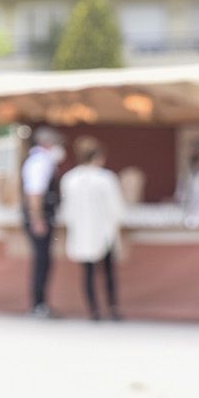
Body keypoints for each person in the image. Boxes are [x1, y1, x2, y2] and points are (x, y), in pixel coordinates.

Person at [60, 136, 126, 320]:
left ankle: (94, 309)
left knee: (88, 273)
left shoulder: (70, 179)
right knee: (108, 273)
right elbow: (117, 209)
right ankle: (112, 308)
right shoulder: (105, 179)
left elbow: (66, 211)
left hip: (81, 232)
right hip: (104, 232)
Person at [22, 126, 67, 317]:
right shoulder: (40, 162)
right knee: (42, 261)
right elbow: (35, 193)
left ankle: (40, 303)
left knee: (44, 261)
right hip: (40, 218)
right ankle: (38, 304)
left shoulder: (42, 161)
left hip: (42, 217)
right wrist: (37, 219)